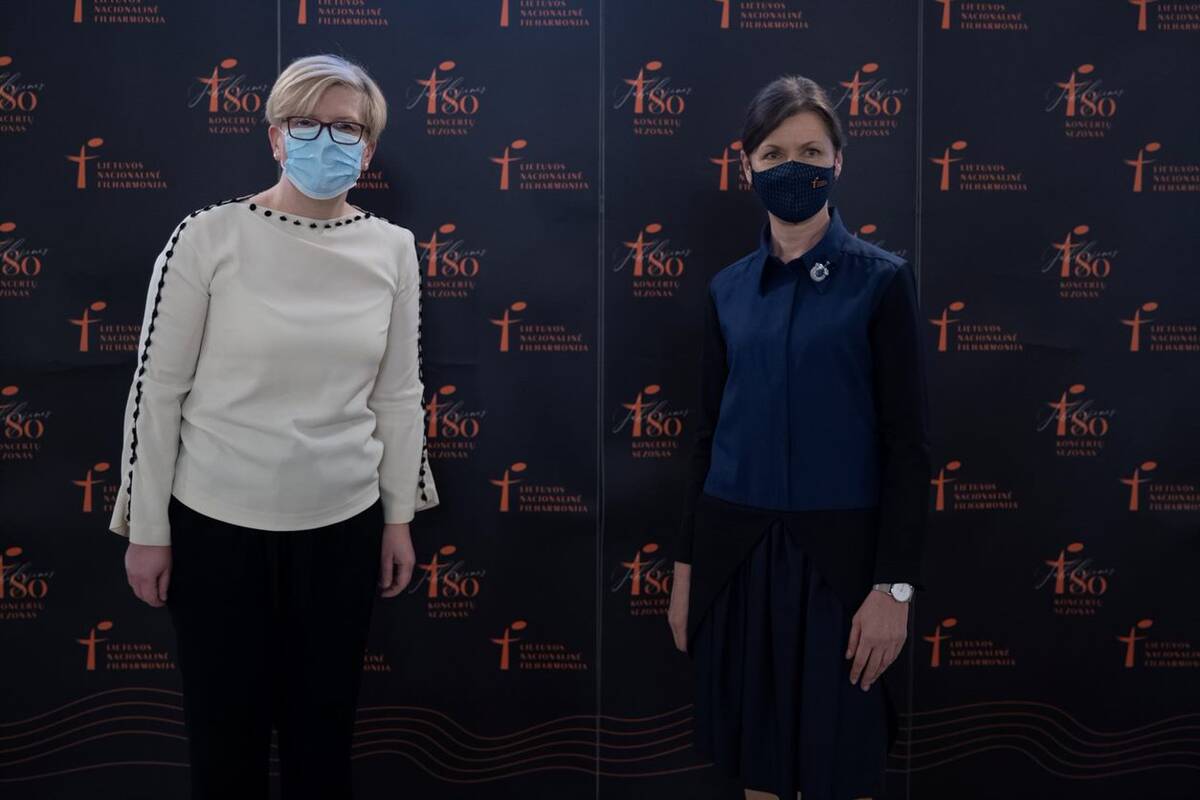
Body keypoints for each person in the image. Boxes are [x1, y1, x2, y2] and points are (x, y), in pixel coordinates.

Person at [109, 53, 439, 798]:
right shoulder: (208, 237)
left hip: (343, 528)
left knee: (323, 748)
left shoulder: (393, 248)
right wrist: (147, 528)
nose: (327, 140)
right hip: (216, 529)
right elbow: (157, 394)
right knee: (225, 751)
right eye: (306, 123)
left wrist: (397, 518)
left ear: (369, 147)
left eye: (346, 127)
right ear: (275, 137)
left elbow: (398, 394)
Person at [667, 75, 931, 800]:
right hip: (737, 561)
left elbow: (909, 449)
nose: (794, 167)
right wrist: (687, 572)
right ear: (747, 165)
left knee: (840, 767)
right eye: (775, 153)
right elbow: (706, 438)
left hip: (842, 570)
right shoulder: (727, 290)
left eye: (811, 151)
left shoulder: (881, 282)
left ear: (838, 160)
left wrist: (894, 589)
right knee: (758, 769)